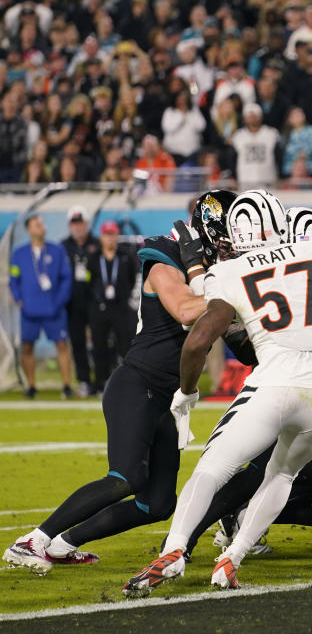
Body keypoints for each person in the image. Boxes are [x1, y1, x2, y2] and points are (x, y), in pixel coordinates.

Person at [120, 189, 312, 594]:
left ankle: (174, 550)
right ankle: (232, 558)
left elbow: (197, 341)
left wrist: (187, 393)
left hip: (274, 385)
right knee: (281, 473)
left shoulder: (230, 271)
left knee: (211, 470)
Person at [2, 191, 237, 575]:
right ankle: (33, 539)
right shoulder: (166, 260)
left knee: (157, 503)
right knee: (125, 478)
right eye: (228, 234)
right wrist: (234, 293)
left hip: (167, 398)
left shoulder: (211, 270)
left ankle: (63, 545)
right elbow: (185, 310)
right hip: (137, 383)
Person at [9, 215, 73, 399]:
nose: (41, 227)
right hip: (29, 310)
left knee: (62, 345)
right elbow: (14, 280)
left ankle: (67, 385)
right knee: (27, 347)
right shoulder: (19, 254)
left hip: (54, 309)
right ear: (29, 229)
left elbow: (66, 278)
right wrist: (19, 300)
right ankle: (31, 386)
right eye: (37, 224)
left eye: (42, 224)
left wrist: (59, 301)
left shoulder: (57, 250)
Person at [87, 221, 138, 395]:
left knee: (124, 345)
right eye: (106, 235)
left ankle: (126, 381)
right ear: (101, 237)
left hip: (119, 307)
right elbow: (89, 281)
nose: (110, 238)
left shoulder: (125, 256)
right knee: (99, 345)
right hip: (99, 307)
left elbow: (131, 280)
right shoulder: (94, 258)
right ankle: (100, 382)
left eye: (113, 234)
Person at [61, 206, 100, 397]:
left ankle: (102, 381)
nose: (77, 227)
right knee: (78, 344)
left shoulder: (96, 244)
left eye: (80, 222)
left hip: (94, 302)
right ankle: (84, 381)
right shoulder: (63, 246)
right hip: (72, 303)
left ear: (86, 223)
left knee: (101, 342)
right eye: (73, 223)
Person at [231, 104, 280, 189]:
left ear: (260, 116)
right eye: (249, 116)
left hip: (267, 182)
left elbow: (278, 156)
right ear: (245, 118)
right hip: (245, 182)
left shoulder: (271, 133)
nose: (252, 118)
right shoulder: (238, 136)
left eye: (255, 115)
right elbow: (232, 159)